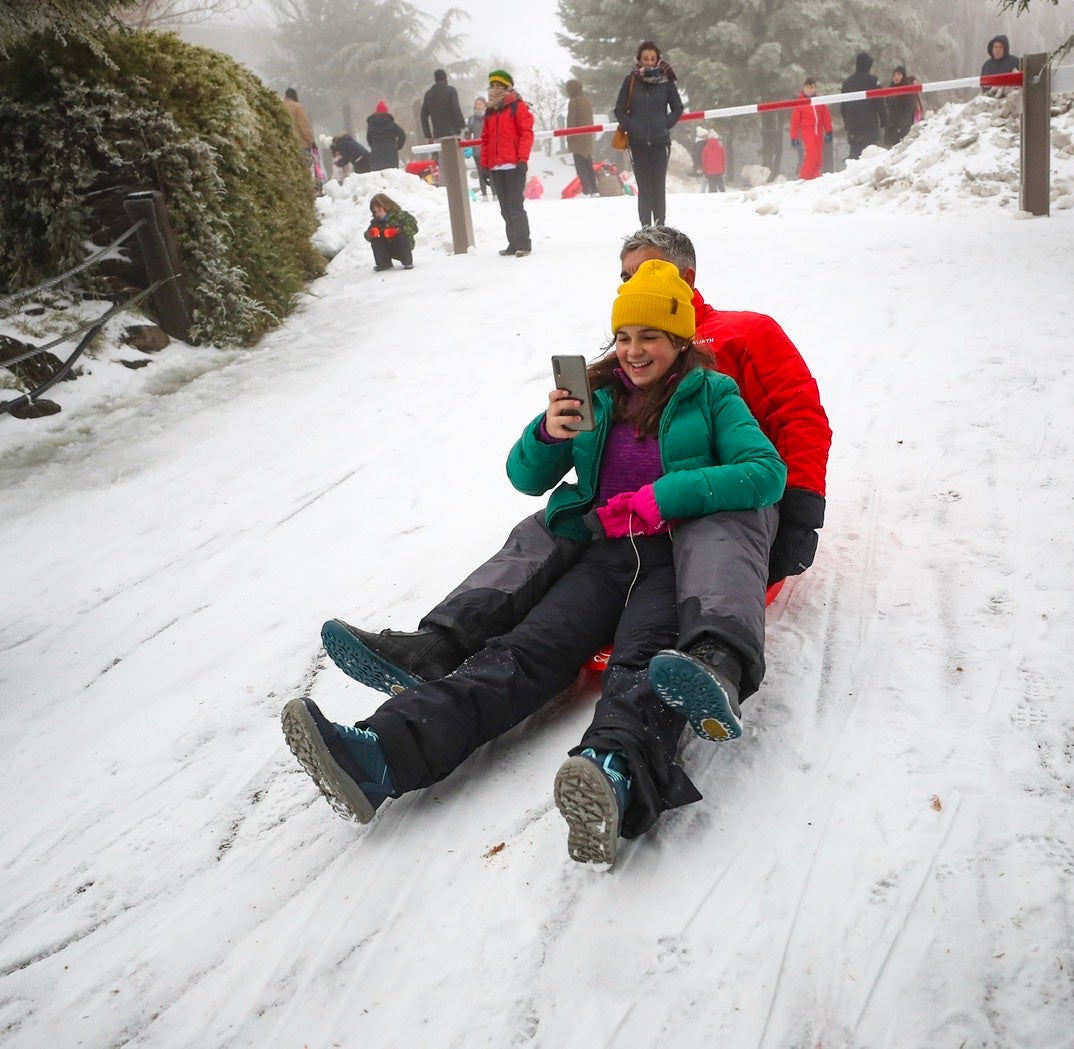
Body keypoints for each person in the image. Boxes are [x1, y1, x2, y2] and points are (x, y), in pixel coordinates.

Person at [282, 259, 787, 867]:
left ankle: (616, 772)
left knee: (642, 665)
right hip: (601, 555)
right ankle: (379, 754)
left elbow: (765, 472)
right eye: (624, 336)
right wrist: (548, 434)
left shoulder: (712, 395)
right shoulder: (594, 392)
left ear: (679, 340)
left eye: (649, 336)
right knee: (520, 653)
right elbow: (524, 478)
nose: (633, 350)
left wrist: (664, 496)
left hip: (670, 561)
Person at [321, 224, 831, 744]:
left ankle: (690, 686)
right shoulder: (609, 373)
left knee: (660, 615)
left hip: (711, 505)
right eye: (625, 279)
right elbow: (531, 474)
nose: (635, 289)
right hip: (615, 530)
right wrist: (547, 433)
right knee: (542, 535)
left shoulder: (739, 341)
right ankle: (433, 650)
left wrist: (800, 509)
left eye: (651, 275)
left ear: (686, 280)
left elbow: (797, 418)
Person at [615, 40, 684, 227]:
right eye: (645, 58)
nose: (649, 61)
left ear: (657, 59)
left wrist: (664, 124)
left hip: (660, 142)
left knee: (658, 188)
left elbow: (678, 107)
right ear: (639, 60)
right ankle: (645, 228)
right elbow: (619, 110)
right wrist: (632, 126)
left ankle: (660, 227)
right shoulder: (631, 81)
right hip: (637, 144)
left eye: (652, 58)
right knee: (644, 189)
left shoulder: (666, 81)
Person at [481, 69, 535, 257]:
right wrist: (484, 165)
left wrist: (522, 160)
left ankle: (523, 242)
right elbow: (485, 139)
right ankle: (513, 242)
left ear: (507, 87)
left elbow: (526, 133)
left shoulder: (517, 106)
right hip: (496, 166)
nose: (495, 89)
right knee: (504, 207)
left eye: (499, 86)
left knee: (515, 204)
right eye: (492, 85)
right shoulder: (490, 110)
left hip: (513, 164)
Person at [840, 52, 886, 161]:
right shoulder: (873, 80)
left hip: (853, 126)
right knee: (870, 158)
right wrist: (884, 120)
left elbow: (843, 105)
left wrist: (847, 123)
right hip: (869, 126)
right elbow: (879, 101)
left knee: (855, 157)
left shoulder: (847, 82)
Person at [789, 77, 833, 180]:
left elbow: (825, 117)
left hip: (819, 130)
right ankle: (804, 177)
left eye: (812, 87)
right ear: (804, 88)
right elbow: (794, 122)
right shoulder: (800, 103)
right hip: (807, 130)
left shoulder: (819, 101)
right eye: (807, 87)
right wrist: (794, 137)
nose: (809, 90)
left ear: (815, 88)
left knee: (818, 155)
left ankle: (814, 176)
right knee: (812, 153)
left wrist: (829, 131)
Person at [364, 192, 417, 271]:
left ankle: (407, 262)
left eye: (379, 210)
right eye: (375, 212)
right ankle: (384, 264)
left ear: (386, 206)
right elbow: (366, 235)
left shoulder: (400, 215)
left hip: (403, 245)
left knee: (400, 237)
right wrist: (371, 234)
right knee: (376, 240)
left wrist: (397, 231)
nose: (378, 213)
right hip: (387, 247)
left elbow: (414, 227)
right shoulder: (376, 222)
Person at [565, 79, 599, 197]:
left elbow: (571, 121)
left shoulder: (574, 102)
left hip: (578, 139)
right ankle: (594, 189)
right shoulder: (587, 101)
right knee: (589, 165)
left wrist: (569, 138)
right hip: (588, 138)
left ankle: (586, 189)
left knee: (581, 167)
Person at [420, 69, 465, 142]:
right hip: (453, 132)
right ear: (445, 78)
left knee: (442, 153)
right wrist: (462, 125)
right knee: (460, 151)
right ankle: (470, 154)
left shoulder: (428, 94)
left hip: (438, 134)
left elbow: (423, 116)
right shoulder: (451, 91)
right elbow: (456, 109)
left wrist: (428, 135)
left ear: (435, 79)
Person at [883, 66, 924, 147]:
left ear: (903, 76)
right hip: (892, 128)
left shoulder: (907, 90)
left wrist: (901, 128)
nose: (896, 77)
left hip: (903, 128)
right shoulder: (891, 89)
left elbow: (908, 110)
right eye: (894, 75)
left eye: (898, 74)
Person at [366, 100, 406, 170]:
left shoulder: (371, 125)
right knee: (392, 176)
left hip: (376, 155)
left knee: (378, 177)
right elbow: (402, 134)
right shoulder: (391, 124)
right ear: (386, 112)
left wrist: (374, 146)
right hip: (391, 155)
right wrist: (398, 146)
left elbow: (369, 138)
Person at [465, 96, 491, 200]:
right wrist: (467, 145)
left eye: (480, 104)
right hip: (477, 150)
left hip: (489, 149)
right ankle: (484, 194)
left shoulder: (489, 116)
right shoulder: (471, 119)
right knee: (481, 172)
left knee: (491, 172)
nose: (477, 106)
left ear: (485, 105)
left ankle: (495, 194)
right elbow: (468, 133)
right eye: (476, 104)